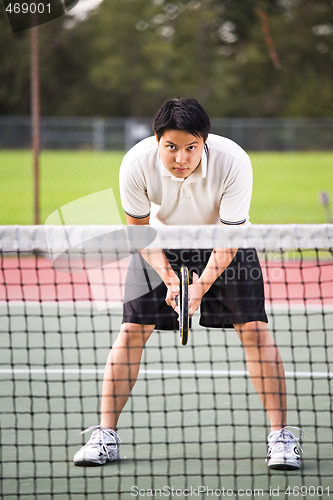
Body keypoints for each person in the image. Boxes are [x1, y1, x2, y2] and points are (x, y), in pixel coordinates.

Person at [73, 97, 303, 470]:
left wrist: (198, 287)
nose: (181, 158)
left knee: (255, 330)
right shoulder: (135, 164)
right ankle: (105, 435)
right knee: (132, 330)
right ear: (157, 140)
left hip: (224, 240)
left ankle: (281, 436)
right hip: (159, 242)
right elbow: (140, 233)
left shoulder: (234, 162)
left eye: (191, 147)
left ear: (205, 143)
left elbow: (229, 240)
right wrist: (169, 278)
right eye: (172, 147)